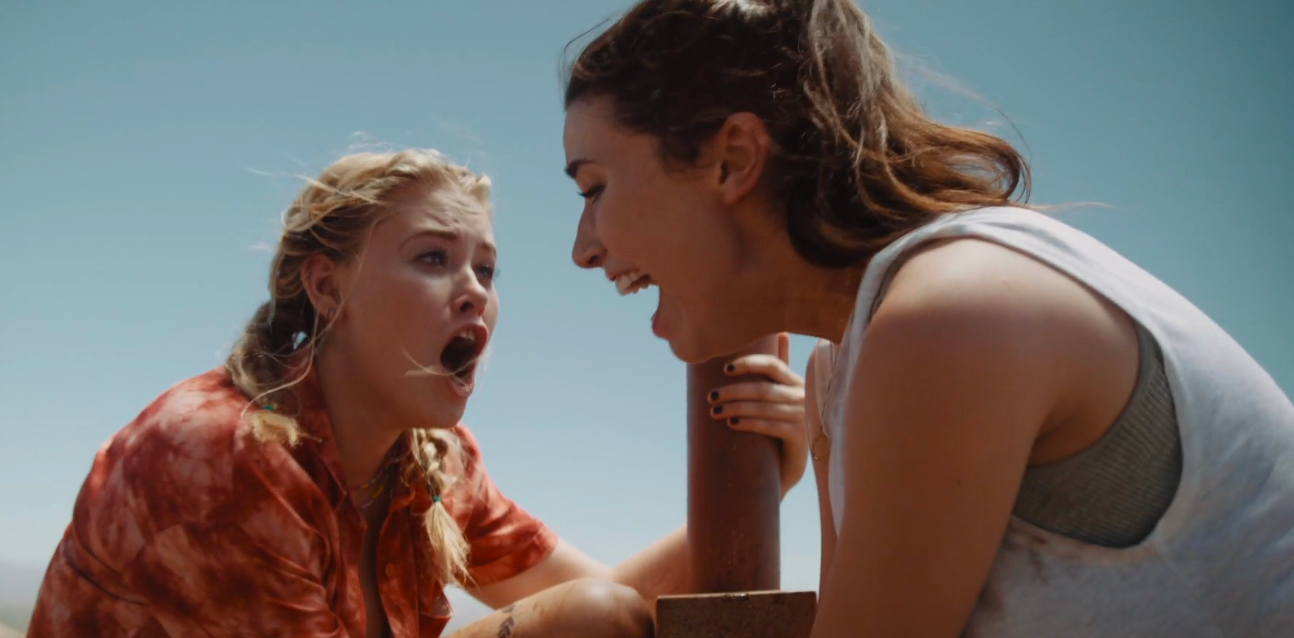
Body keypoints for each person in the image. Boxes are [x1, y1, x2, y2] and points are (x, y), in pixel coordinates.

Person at [561, 1, 1294, 636]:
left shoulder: (954, 314)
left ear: (733, 158)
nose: (583, 250)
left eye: (594, 189)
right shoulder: (842, 369)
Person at [28, 149, 811, 638]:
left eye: (487, 269)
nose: (474, 292)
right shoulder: (219, 452)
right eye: (433, 258)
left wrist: (769, 478)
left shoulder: (432, 461)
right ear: (327, 288)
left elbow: (612, 602)